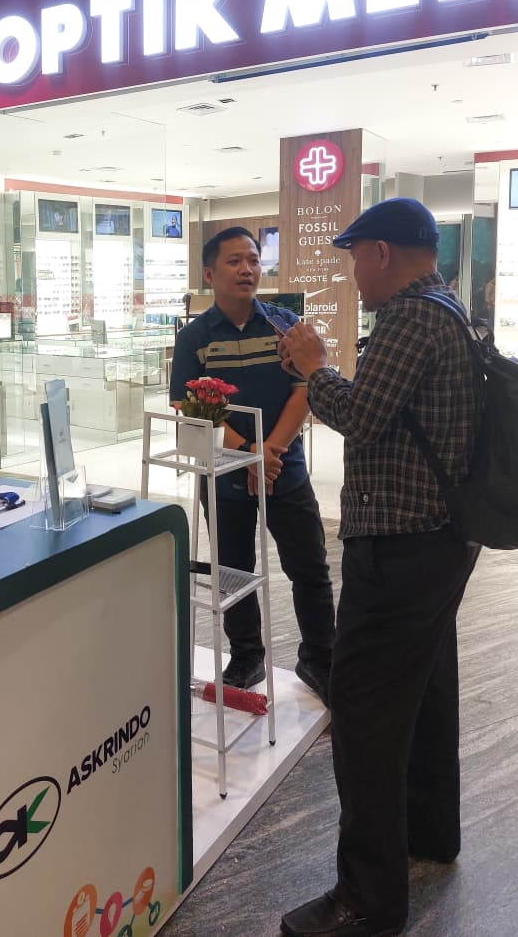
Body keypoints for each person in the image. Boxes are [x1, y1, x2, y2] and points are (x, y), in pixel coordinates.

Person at [278, 198, 481, 937]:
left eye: (355, 257)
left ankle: (368, 898)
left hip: (397, 549)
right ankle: (429, 832)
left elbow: (360, 417)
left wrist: (314, 369)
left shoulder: (408, 318)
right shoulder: (448, 310)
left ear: (383, 253)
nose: (353, 273)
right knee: (424, 693)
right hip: (439, 542)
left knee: (363, 711)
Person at [169, 228, 335, 700]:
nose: (247, 270)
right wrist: (248, 452)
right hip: (224, 474)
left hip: (284, 468)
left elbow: (307, 388)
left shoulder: (287, 327)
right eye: (234, 261)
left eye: (254, 260)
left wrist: (269, 452)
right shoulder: (194, 338)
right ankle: (246, 656)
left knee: (309, 566)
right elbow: (185, 406)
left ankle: (321, 658)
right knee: (232, 570)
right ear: (209, 274)